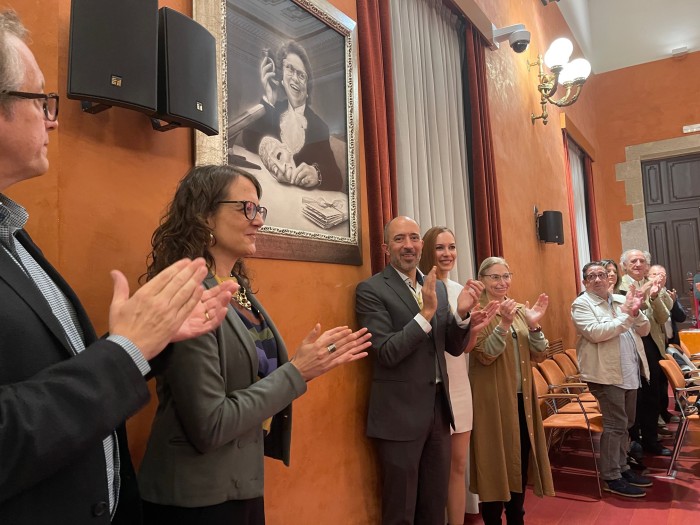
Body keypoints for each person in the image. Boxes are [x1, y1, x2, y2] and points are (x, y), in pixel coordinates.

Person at [0, 11, 236, 524]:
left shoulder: (13, 233)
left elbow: (58, 378)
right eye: (40, 100)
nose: (53, 118)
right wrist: (125, 350)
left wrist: (150, 342)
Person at [137, 164, 371, 525]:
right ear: (204, 217)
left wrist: (306, 363)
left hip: (240, 482)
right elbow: (210, 424)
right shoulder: (188, 295)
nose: (258, 220)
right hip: (196, 497)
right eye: (246, 208)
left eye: (260, 209)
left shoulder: (237, 289)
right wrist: (297, 372)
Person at [355, 216, 482, 525]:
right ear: (387, 249)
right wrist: (425, 314)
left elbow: (451, 346)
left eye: (413, 238)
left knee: (433, 504)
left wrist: (462, 314)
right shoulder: (371, 290)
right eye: (399, 239)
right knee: (401, 509)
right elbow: (386, 351)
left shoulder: (433, 285)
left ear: (420, 245)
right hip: (398, 414)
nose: (408, 245)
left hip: (438, 410)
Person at [419, 227, 497, 525]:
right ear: (428, 252)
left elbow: (463, 348)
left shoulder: (457, 289)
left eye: (452, 247)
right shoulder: (423, 288)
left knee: (459, 464)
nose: (447, 254)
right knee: (435, 469)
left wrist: (475, 324)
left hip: (460, 383)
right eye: (440, 248)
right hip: (435, 386)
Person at [469, 257, 554, 525]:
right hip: (492, 402)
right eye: (494, 277)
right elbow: (484, 355)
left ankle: (517, 517)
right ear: (482, 280)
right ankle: (493, 520)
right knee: (494, 463)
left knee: (519, 460)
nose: (502, 282)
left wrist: (534, 324)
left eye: (506, 276)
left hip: (522, 402)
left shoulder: (518, 309)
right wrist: (503, 326)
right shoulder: (477, 312)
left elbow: (540, 354)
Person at [571, 262, 653, 498]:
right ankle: (611, 476)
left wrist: (635, 312)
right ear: (585, 282)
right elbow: (597, 333)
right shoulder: (581, 304)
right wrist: (627, 316)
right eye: (591, 276)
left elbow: (645, 330)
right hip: (605, 376)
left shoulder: (619, 300)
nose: (597, 279)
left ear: (609, 279)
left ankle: (623, 467)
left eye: (601, 275)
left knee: (626, 423)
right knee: (615, 424)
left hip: (629, 371)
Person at [242, 40, 343, 191]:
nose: (295, 78)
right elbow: (248, 140)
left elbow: (336, 178)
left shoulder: (319, 126)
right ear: (281, 77)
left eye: (301, 75)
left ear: (307, 86)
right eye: (289, 68)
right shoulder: (273, 109)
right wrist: (269, 100)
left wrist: (316, 173)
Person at [618, 249, 672, 456]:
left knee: (652, 395)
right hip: (631, 345)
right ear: (625, 265)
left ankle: (651, 439)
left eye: (642, 261)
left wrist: (655, 296)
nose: (638, 264)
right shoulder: (620, 287)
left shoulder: (652, 286)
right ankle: (635, 444)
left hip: (653, 344)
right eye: (633, 261)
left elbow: (662, 318)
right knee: (635, 397)